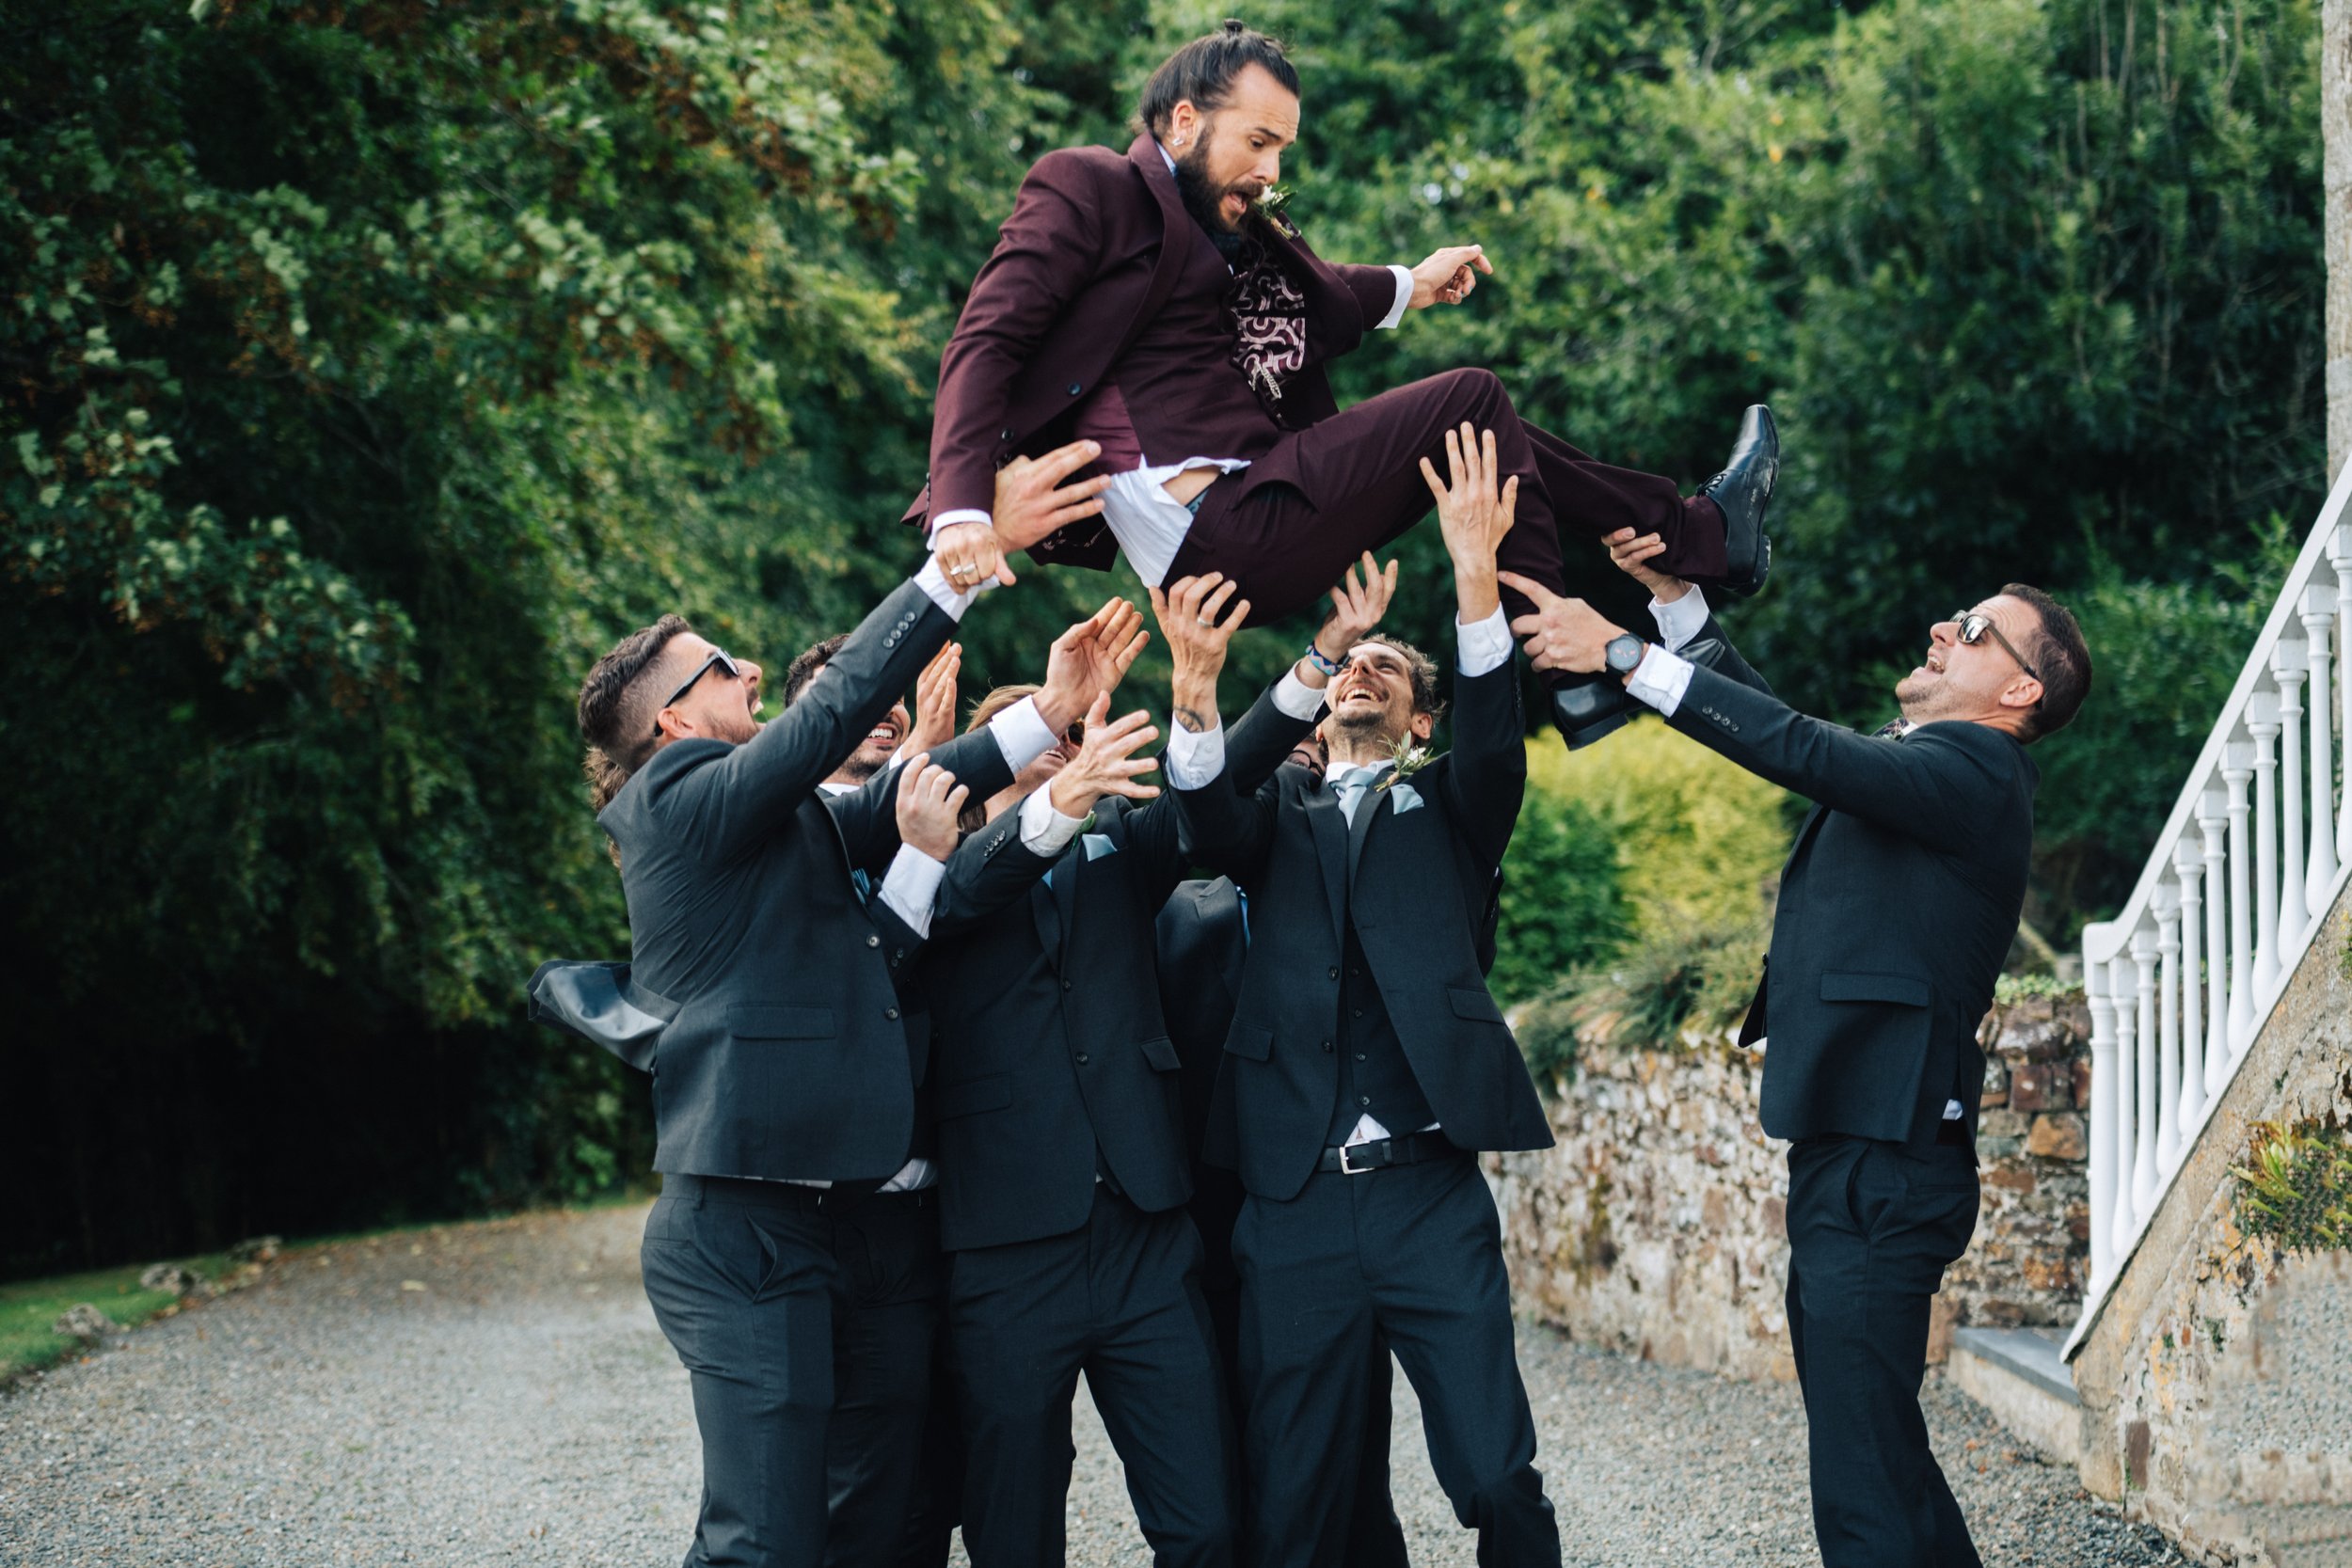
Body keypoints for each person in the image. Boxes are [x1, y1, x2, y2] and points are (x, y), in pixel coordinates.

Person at [906, 20, 1779, 748]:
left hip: (1256, 524)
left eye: (1282, 147)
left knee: (1485, 434)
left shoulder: (1227, 224)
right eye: (1257, 141)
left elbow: (1312, 302)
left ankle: (1689, 544)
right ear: (1181, 122)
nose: (1271, 169)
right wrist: (962, 511)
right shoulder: (1088, 186)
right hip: (1219, 533)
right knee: (1471, 399)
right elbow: (986, 339)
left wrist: (1412, 283)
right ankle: (1579, 639)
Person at [560, 514, 1151, 1566]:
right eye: (719, 666)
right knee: (767, 1536)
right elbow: (827, 718)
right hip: (738, 1229)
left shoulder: (764, 821)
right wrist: (957, 565)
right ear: (667, 722)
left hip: (830, 1219)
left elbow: (898, 801)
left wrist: (1048, 715)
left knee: (875, 1511)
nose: (746, 670)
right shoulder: (676, 801)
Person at [1499, 529, 2092, 1568]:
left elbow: (1800, 748)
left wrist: (1628, 656)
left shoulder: (1980, 769)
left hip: (1885, 1160)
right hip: (1857, 1150)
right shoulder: (1926, 770)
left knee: (1861, 1489)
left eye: (1978, 629)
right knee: (1881, 1460)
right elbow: (1801, 738)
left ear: (2018, 696)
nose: (1942, 628)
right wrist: (1678, 606)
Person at [916, 559, 1393, 1566]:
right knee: (1012, 1529)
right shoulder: (941, 876)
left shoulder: (1117, 849)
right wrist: (1053, 801)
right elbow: (964, 897)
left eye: (1076, 740)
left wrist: (1228, 684)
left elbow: (1206, 799)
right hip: (1006, 1252)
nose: (1069, 757)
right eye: (1048, 743)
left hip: (1143, 1234)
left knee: (1206, 1523)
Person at [1168, 428, 1560, 1566]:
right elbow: (1203, 810)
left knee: (1493, 1472)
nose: (1365, 668)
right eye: (1353, 660)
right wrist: (1202, 684)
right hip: (1289, 1199)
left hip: (1427, 1192)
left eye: (1390, 666)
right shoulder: (1270, 822)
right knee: (1298, 1502)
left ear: (1420, 719)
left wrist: (1472, 571)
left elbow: (1494, 737)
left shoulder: (1452, 813)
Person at [1153, 736, 1409, 1568]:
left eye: (1316, 750)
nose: (1302, 761)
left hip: (1324, 1201)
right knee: (1230, 1427)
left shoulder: (1359, 879)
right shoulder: (1177, 899)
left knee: (1350, 1428)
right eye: (1283, 750)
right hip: (1215, 1200)